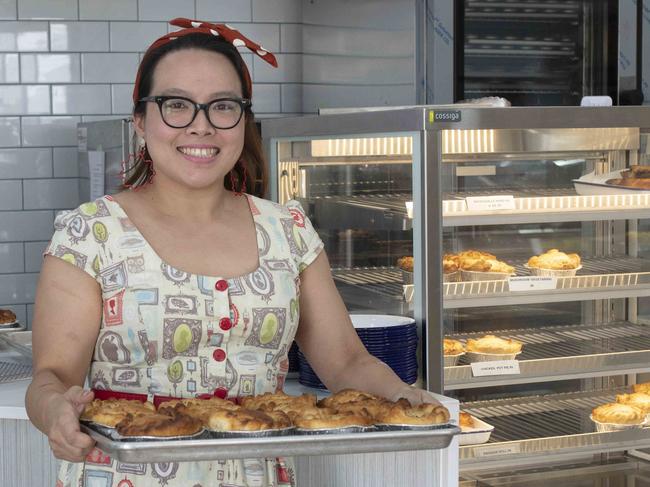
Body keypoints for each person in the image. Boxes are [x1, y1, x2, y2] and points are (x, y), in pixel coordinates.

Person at [25, 18, 439, 487]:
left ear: (243, 120)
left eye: (222, 107)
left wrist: (414, 401)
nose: (201, 127)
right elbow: (52, 377)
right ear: (140, 120)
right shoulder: (88, 234)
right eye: (176, 105)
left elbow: (346, 362)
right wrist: (54, 411)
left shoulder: (289, 231)